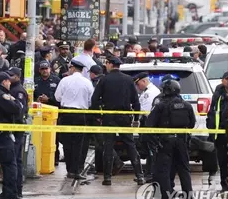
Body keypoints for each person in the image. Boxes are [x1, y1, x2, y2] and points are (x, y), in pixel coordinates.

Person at [91, 56, 144, 186]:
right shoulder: (128, 80)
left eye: (107, 64)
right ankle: (139, 175)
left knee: (108, 146)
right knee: (130, 145)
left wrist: (98, 115)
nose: (106, 66)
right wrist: (136, 119)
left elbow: (95, 100)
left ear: (110, 64)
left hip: (109, 117)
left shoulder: (104, 80)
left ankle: (107, 177)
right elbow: (136, 102)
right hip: (125, 117)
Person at [146, 79, 195, 199]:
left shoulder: (161, 106)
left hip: (165, 142)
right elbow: (192, 124)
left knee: (164, 170)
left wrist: (155, 139)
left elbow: (149, 124)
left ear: (166, 91)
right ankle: (189, 198)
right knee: (184, 170)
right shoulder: (187, 105)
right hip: (182, 141)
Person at [54, 59, 94, 179]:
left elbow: (57, 97)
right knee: (78, 143)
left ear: (72, 68)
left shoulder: (65, 80)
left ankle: (69, 169)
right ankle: (75, 170)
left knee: (67, 142)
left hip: (66, 113)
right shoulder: (87, 82)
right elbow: (90, 101)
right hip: (80, 115)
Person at [134, 72, 161, 182]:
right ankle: (149, 173)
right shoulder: (151, 91)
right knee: (149, 150)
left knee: (151, 150)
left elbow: (143, 111)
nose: (137, 86)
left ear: (144, 81)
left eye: (138, 83)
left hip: (149, 123)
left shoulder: (149, 93)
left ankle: (150, 174)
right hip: (149, 123)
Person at [34, 61, 61, 165]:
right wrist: (37, 99)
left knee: (54, 137)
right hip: (39, 113)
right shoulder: (36, 81)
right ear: (40, 70)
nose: (45, 71)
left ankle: (55, 158)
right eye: (43, 69)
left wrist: (49, 99)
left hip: (52, 113)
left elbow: (59, 97)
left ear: (50, 69)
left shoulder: (56, 80)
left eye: (46, 68)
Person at [7, 67, 28, 198]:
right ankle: (12, 189)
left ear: (18, 77)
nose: (9, 78)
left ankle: (16, 189)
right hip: (14, 128)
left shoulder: (18, 91)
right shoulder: (12, 89)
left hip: (16, 129)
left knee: (15, 160)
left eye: (12, 76)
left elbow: (19, 111)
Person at [206, 71, 228, 191]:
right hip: (220, 135)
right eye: (226, 79)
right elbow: (212, 113)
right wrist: (211, 132)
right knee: (222, 162)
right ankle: (225, 186)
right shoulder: (218, 94)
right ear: (222, 80)